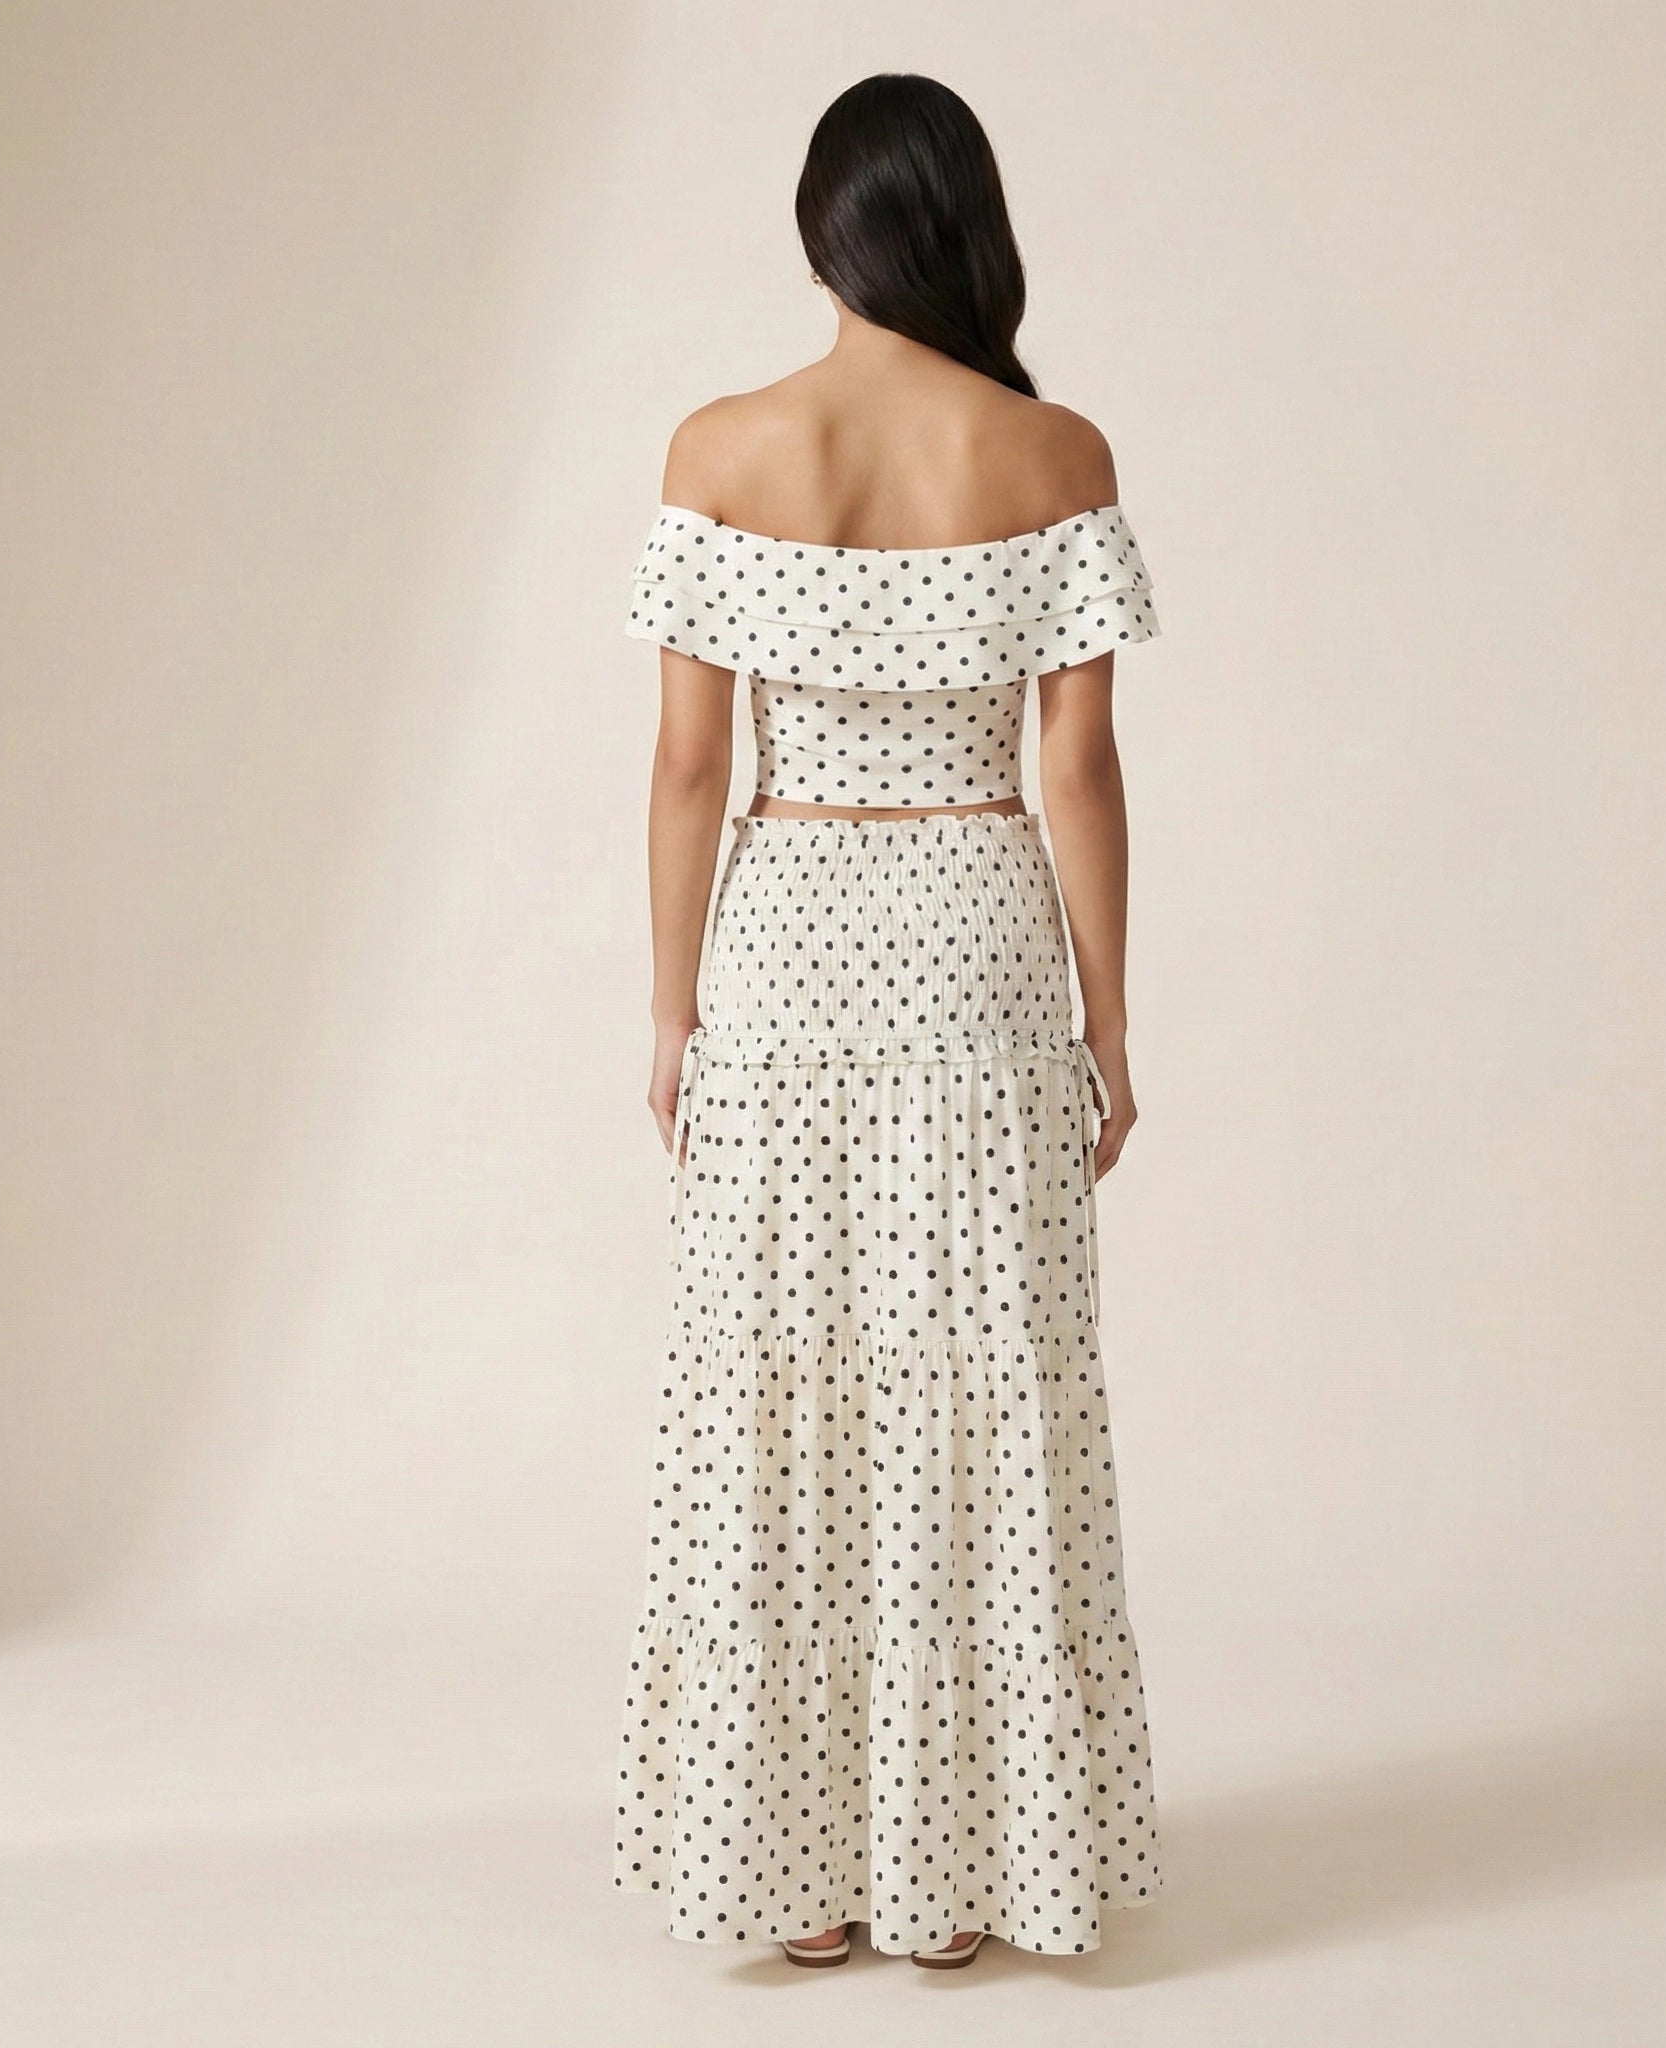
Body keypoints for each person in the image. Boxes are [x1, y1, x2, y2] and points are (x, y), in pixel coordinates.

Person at [612, 72, 1164, 1971]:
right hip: (982, 947)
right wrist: (1112, 1022)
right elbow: (1078, 775)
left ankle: (801, 1877)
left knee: (781, 1393)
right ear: (966, 227)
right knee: (981, 1392)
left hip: (782, 948)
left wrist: (676, 1011)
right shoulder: (1055, 451)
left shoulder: (718, 445)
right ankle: (971, 1883)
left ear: (822, 231)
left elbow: (690, 775)